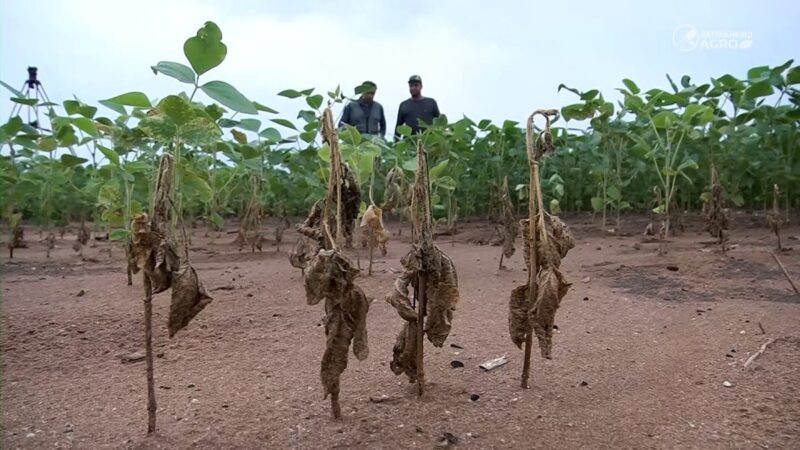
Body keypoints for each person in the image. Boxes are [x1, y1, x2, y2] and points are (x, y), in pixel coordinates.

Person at [394, 75, 440, 139]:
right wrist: (396, 143)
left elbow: (439, 123)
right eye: (411, 86)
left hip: (428, 141)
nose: (413, 88)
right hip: (410, 143)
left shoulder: (431, 102)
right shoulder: (404, 105)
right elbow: (398, 127)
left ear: (421, 86)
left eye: (416, 85)